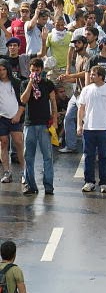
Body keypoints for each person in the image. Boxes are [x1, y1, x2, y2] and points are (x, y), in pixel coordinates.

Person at [77, 65, 106, 193]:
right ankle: (89, 182)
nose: (91, 76)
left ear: (101, 76)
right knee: (88, 156)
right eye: (91, 74)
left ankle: (103, 182)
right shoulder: (86, 90)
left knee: (104, 156)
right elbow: (81, 108)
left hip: (104, 129)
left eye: (93, 74)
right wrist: (79, 125)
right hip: (88, 128)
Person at [20, 58, 58, 195]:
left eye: (37, 70)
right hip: (29, 124)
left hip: (44, 124)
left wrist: (54, 120)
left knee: (47, 156)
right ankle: (30, 185)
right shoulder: (25, 83)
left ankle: (48, 186)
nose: (35, 73)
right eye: (32, 71)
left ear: (41, 70)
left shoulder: (48, 84)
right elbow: (23, 100)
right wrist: (31, 83)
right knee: (28, 156)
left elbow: (53, 102)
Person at [0, 59, 25, 185]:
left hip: (15, 117)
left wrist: (18, 115)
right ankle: (7, 172)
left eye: (4, 69)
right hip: (2, 119)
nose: (2, 72)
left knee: (19, 143)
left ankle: (24, 172)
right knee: (3, 144)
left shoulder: (16, 83)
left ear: (8, 70)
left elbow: (23, 101)